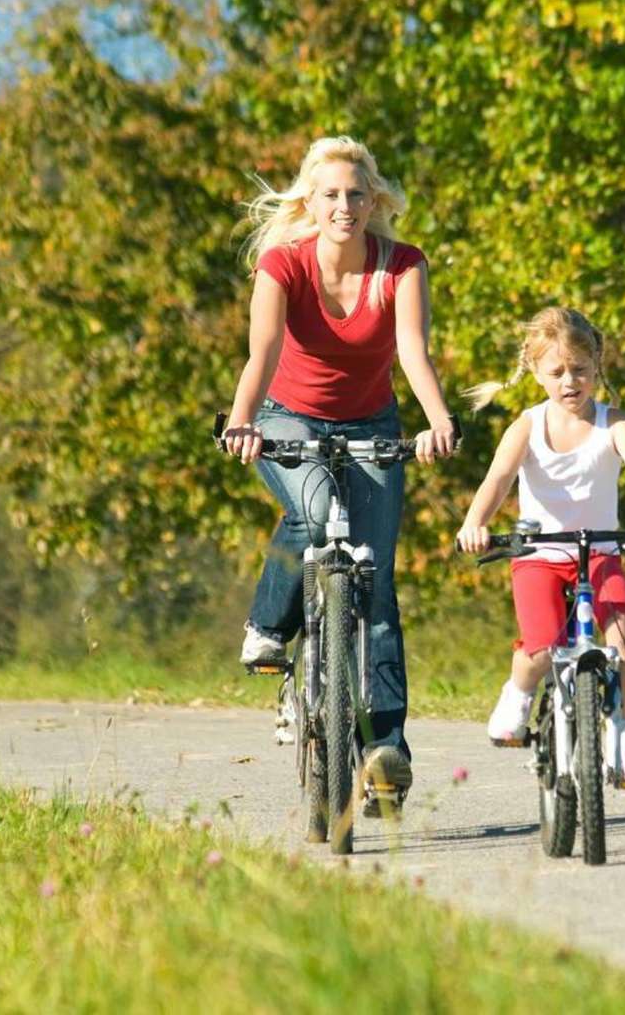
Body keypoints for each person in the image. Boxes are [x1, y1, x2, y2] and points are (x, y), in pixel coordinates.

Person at [219, 135, 457, 801]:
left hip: (371, 424)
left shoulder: (402, 266)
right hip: (285, 417)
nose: (344, 206)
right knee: (315, 512)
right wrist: (241, 421)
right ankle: (269, 626)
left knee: (375, 586)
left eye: (356, 194)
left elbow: (413, 350)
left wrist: (438, 421)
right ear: (310, 201)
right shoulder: (283, 265)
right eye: (330, 194)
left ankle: (386, 750)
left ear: (373, 199)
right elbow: (261, 351)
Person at [455, 308, 625, 783]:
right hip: (539, 557)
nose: (570, 381)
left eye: (580, 370)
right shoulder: (526, 425)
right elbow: (498, 478)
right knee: (541, 649)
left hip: (600, 555)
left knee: (623, 635)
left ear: (596, 367)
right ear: (537, 373)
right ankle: (519, 694)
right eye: (557, 372)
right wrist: (474, 522)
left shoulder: (614, 424)